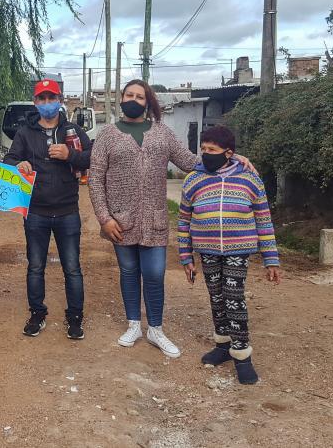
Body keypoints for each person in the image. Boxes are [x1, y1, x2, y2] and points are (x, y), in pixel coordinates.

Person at [89, 79, 255, 359]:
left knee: (154, 274)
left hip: (153, 220)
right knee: (129, 273)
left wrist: (231, 157)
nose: (133, 99)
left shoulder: (162, 133)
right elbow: (95, 178)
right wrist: (104, 218)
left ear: (147, 102)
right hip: (120, 220)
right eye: (128, 94)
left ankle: (155, 328)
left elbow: (192, 162)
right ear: (121, 99)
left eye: (139, 96)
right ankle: (133, 325)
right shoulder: (107, 135)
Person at [178, 125, 281, 384]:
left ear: (228, 153)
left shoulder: (249, 178)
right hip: (207, 249)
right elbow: (182, 221)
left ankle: (242, 356)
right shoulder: (194, 179)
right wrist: (186, 256)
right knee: (216, 296)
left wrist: (271, 259)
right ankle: (223, 346)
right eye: (203, 149)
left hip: (239, 249)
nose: (206, 154)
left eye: (212, 150)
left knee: (233, 296)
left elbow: (264, 219)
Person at [3, 79, 91, 339]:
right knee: (35, 266)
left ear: (60, 100)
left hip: (67, 211)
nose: (46, 103)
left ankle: (75, 318)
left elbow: (93, 157)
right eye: (41, 98)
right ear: (35, 102)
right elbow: (9, 159)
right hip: (36, 211)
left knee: (72, 267)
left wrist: (70, 155)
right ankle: (37, 314)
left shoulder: (73, 131)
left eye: (51, 97)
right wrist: (18, 165)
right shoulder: (25, 133)